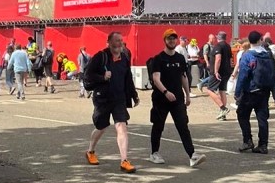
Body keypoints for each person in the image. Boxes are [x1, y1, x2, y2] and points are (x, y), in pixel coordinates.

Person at [148, 29, 207, 168]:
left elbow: (183, 77)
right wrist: (165, 92)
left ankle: (192, 155)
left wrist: (187, 94)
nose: (172, 41)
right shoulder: (158, 59)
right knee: (158, 126)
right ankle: (154, 153)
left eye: (174, 38)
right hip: (160, 99)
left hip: (177, 100)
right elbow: (156, 78)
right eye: (169, 39)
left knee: (183, 126)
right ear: (165, 40)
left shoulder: (180, 58)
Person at [83, 31, 140, 174]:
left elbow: (128, 78)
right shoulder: (100, 57)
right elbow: (87, 75)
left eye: (121, 40)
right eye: (116, 41)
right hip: (103, 98)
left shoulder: (125, 58)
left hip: (119, 98)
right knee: (101, 127)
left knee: (121, 126)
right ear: (109, 42)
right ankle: (90, 151)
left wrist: (134, 95)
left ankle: (124, 160)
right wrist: (103, 77)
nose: (119, 43)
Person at [234, 31, 272, 154]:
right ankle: (263, 144)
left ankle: (248, 140)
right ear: (260, 40)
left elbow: (243, 75)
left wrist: (237, 91)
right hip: (265, 90)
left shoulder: (247, 55)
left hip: (251, 90)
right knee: (262, 118)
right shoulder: (267, 54)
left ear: (249, 41)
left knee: (242, 114)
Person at [205, 31, 232, 121]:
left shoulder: (218, 46)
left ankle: (223, 108)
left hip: (219, 72)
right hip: (227, 71)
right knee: (222, 90)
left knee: (209, 90)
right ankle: (223, 114)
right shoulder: (228, 46)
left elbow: (218, 59)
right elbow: (230, 59)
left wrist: (216, 71)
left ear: (218, 38)